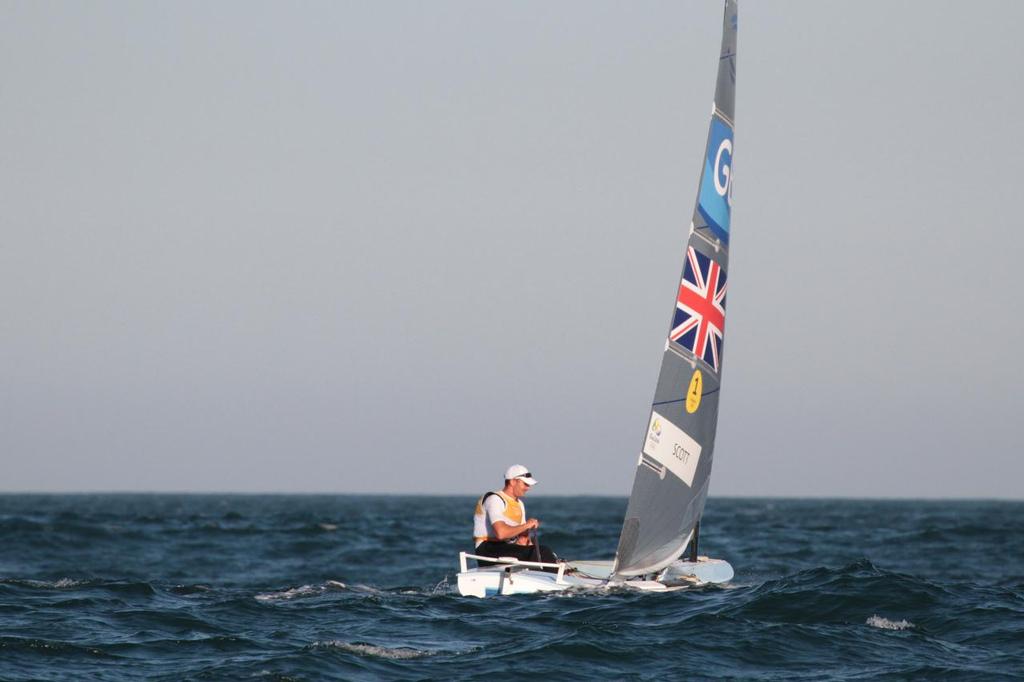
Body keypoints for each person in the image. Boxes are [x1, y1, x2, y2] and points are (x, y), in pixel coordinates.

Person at [472, 464, 558, 572]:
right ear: (513, 482)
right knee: (542, 552)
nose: (528, 488)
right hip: (487, 549)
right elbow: (501, 533)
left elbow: (523, 539)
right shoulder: (494, 499)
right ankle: (561, 582)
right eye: (525, 484)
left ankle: (554, 574)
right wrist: (526, 525)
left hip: (506, 548)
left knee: (543, 552)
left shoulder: (519, 504)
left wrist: (533, 548)